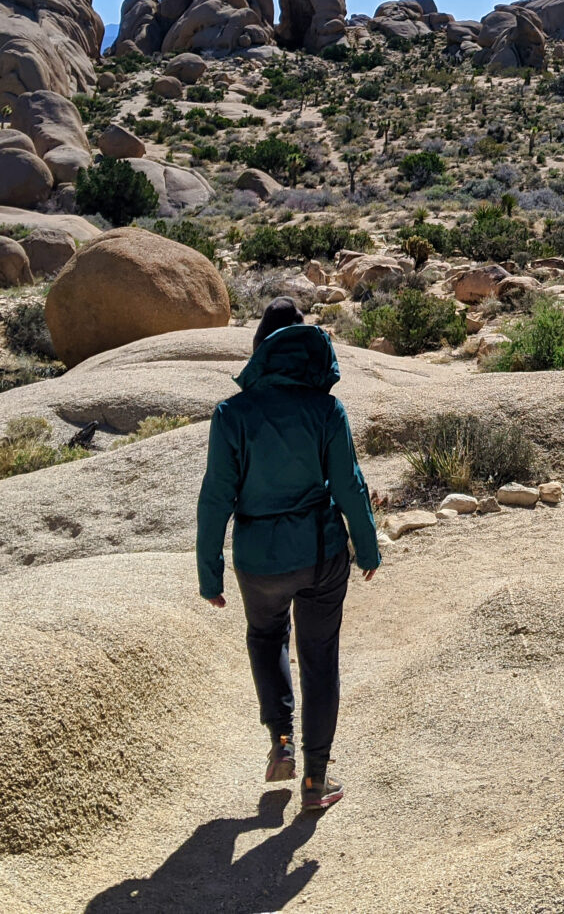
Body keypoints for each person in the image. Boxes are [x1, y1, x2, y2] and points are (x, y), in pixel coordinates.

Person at [196, 297, 382, 810]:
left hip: (259, 562)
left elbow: (216, 498)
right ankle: (316, 782)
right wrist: (366, 547)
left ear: (259, 351)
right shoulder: (326, 408)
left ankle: (281, 740)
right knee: (320, 658)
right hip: (321, 554)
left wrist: (209, 575)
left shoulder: (232, 413)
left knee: (265, 635)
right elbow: (348, 482)